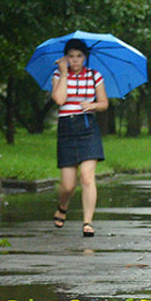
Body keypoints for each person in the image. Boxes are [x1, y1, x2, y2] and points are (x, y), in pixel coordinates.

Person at [51, 38, 107, 237]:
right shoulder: (58, 75)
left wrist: (92, 105)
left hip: (88, 127)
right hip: (67, 128)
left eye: (79, 56)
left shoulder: (94, 76)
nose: (75, 60)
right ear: (66, 57)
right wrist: (65, 74)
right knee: (68, 185)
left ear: (85, 57)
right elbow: (59, 99)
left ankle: (87, 222)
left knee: (87, 177)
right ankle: (63, 205)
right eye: (71, 56)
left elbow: (104, 103)